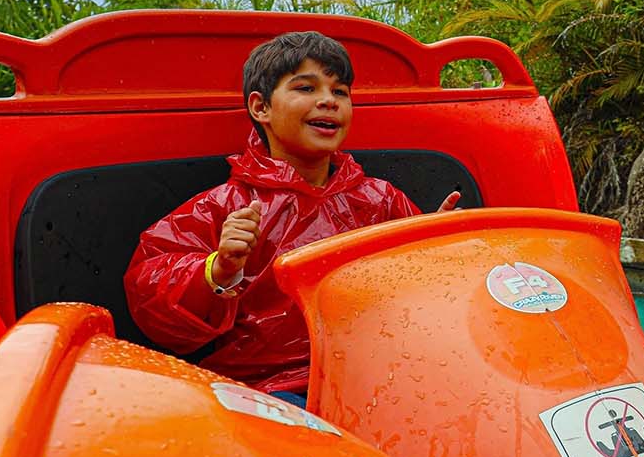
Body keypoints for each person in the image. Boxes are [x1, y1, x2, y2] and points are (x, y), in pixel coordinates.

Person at [124, 30, 457, 403]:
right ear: (260, 107)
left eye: (340, 92)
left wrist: (436, 245)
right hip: (272, 392)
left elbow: (417, 297)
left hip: (379, 378)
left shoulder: (379, 198)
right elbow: (150, 286)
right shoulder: (225, 205)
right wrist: (218, 270)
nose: (328, 101)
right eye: (306, 88)